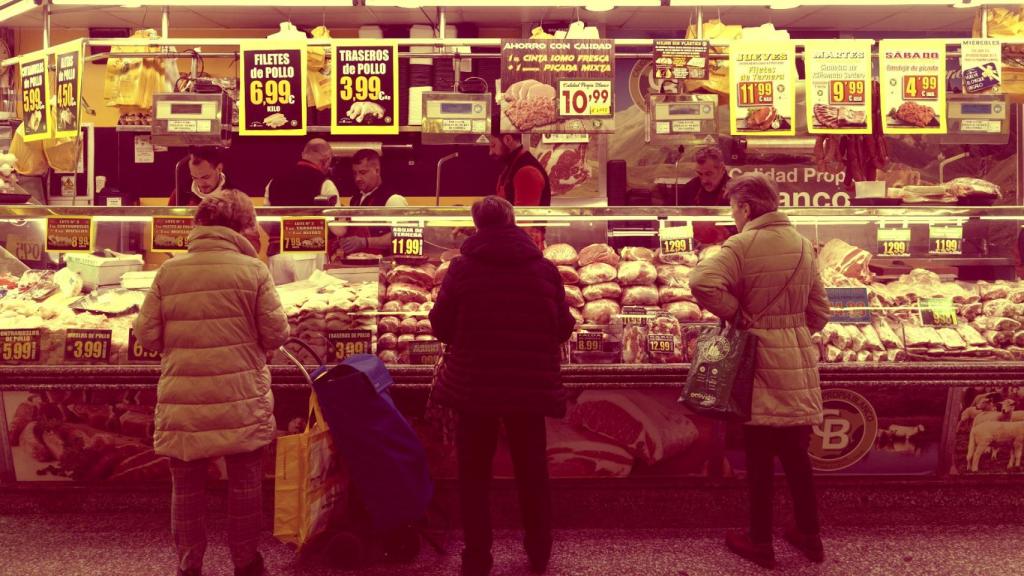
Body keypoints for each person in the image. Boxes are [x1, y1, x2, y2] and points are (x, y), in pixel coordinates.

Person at [134, 189, 289, 576]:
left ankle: (189, 565)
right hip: (240, 398)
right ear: (242, 226)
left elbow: (147, 337)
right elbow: (276, 334)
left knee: (186, 489)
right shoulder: (253, 270)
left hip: (183, 400)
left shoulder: (169, 271)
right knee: (245, 487)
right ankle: (246, 562)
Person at [688, 173, 831, 570]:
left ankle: (760, 541)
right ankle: (810, 536)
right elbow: (821, 310)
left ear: (746, 208)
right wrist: (793, 332)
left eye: (733, 208)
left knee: (760, 459)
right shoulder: (803, 244)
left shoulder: (741, 243)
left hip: (757, 362)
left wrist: (738, 315)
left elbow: (701, 281)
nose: (733, 216)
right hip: (797, 362)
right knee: (797, 457)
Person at [428, 196, 574, 576]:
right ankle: (539, 550)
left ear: (477, 226)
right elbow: (564, 326)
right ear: (514, 221)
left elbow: (440, 326)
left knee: (473, 475)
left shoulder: (461, 269)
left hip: (474, 387)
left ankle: (477, 557)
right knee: (532, 471)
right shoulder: (543, 268)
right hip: (528, 385)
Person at [337, 148, 409, 256]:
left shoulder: (393, 199)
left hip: (382, 266)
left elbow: (403, 236)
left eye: (363, 172)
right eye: (354, 173)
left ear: (377, 170)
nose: (357, 178)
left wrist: (365, 242)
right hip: (357, 263)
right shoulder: (355, 199)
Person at [264, 138, 340, 206]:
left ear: (303, 154)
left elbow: (266, 217)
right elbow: (336, 219)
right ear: (326, 160)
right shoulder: (325, 184)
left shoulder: (273, 182)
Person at [488, 132, 551, 207]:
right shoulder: (513, 164)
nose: (490, 152)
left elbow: (525, 216)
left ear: (508, 139)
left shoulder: (527, 172)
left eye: (493, 145)